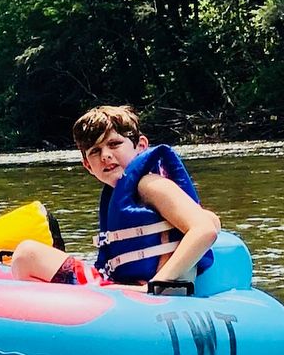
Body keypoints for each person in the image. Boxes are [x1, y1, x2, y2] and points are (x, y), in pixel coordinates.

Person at [11, 104, 220, 291]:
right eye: (95, 151)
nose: (105, 155)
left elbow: (205, 229)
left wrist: (155, 286)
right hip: (120, 286)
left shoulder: (150, 185)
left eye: (114, 144)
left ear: (141, 146)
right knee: (26, 257)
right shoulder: (120, 192)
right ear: (87, 165)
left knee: (27, 254)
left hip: (147, 291)